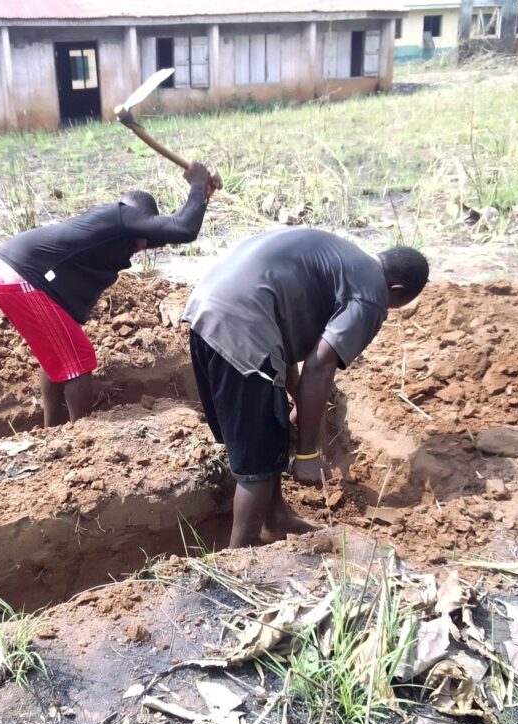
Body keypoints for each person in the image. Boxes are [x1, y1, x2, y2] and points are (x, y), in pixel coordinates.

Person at [182, 227, 429, 549]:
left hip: (207, 309)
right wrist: (308, 453)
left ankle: (277, 521)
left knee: (268, 436)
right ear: (395, 291)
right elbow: (320, 363)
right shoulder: (371, 294)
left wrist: (296, 401)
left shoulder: (343, 258)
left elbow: (285, 331)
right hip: (243, 326)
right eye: (394, 305)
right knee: (257, 461)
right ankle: (235, 561)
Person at [0, 162, 221, 427]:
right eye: (142, 234)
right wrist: (197, 183)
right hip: (20, 275)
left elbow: (173, 230)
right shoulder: (120, 216)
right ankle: (82, 434)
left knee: (59, 354)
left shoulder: (114, 230)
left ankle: (52, 429)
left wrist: (202, 195)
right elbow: (183, 229)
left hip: (7, 271)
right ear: (136, 217)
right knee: (79, 358)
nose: (143, 245)